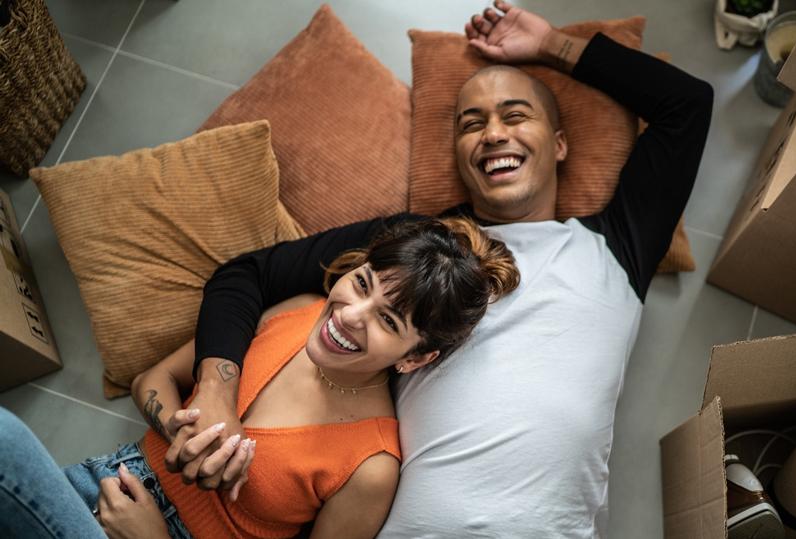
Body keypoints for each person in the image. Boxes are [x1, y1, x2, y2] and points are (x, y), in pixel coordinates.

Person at [171, 1, 714, 536]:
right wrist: (216, 394)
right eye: (470, 124)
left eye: (515, 115)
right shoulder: (416, 248)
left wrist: (552, 45)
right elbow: (245, 276)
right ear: (459, 156)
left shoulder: (615, 247)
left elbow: (688, 103)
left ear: (560, 143)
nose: (493, 133)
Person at [0, 217, 519, 539]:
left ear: (414, 359)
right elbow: (152, 378)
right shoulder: (297, 310)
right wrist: (183, 435)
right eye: (360, 284)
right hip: (98, 484)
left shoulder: (371, 467)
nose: (350, 314)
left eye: (388, 321)